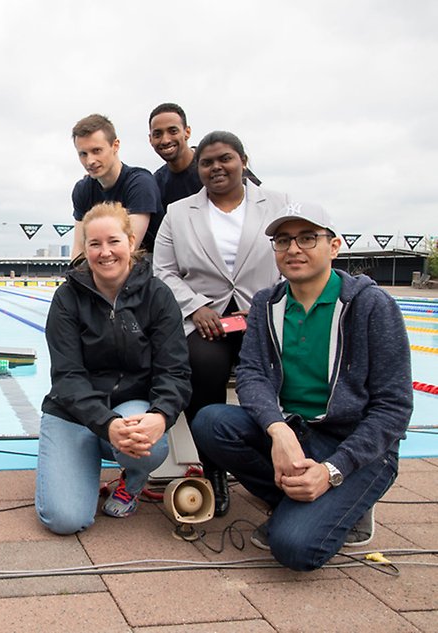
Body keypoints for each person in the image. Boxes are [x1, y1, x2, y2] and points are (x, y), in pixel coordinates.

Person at [191, 203, 412, 571]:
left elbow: (394, 408)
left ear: (335, 246)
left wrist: (333, 470)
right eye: (282, 240)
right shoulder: (267, 303)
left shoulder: (372, 306)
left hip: (355, 445)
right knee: (211, 422)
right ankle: (301, 500)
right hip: (295, 430)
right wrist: (278, 430)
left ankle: (339, 503)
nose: (293, 249)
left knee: (294, 549)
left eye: (308, 238)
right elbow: (252, 374)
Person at [153, 130, 290, 517]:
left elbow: (291, 260)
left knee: (272, 370)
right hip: (204, 321)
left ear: (244, 161)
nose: (216, 167)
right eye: (208, 162)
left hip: (263, 316)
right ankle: (213, 468)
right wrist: (196, 308)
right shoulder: (179, 212)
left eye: (225, 158)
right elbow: (163, 271)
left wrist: (264, 307)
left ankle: (272, 461)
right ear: (198, 169)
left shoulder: (277, 204)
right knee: (202, 365)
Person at [36, 202, 191, 534]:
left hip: (130, 407)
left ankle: (132, 482)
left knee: (153, 443)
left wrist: (160, 416)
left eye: (113, 241)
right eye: (94, 244)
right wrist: (105, 424)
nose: (105, 252)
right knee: (65, 519)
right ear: (85, 249)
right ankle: (78, 464)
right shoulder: (67, 299)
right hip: (73, 412)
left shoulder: (158, 297)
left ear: (131, 242)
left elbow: (174, 371)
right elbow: (67, 377)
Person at [70, 114, 163, 258]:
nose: (90, 161)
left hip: (147, 267)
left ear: (115, 145)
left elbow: (126, 251)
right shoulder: (83, 190)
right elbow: (79, 251)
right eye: (83, 154)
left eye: (96, 151)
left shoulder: (140, 183)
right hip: (104, 266)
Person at [149, 102, 262, 210]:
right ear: (150, 139)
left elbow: (259, 201)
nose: (165, 140)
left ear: (187, 132)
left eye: (173, 131)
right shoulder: (155, 184)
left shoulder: (221, 163)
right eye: (157, 134)